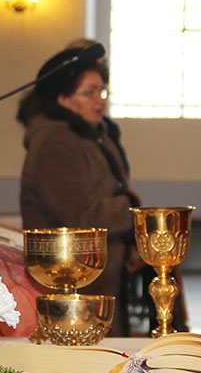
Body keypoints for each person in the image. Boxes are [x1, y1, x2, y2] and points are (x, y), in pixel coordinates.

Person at [17, 46, 139, 335]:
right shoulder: (56, 144)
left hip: (98, 277)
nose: (100, 101)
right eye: (89, 93)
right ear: (63, 98)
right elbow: (84, 217)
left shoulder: (87, 133)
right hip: (73, 282)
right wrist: (132, 209)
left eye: (102, 92)